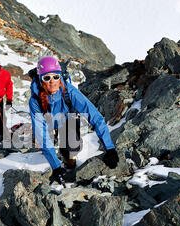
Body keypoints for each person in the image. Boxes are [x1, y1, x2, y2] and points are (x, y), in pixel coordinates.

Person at [29, 56, 119, 185]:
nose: (52, 81)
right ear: (40, 79)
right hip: (47, 121)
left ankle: (69, 161)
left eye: (56, 76)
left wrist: (109, 148)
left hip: (67, 118)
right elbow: (40, 131)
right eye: (46, 78)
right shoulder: (35, 100)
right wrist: (55, 167)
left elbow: (94, 116)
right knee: (43, 139)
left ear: (60, 76)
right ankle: (53, 149)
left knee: (71, 147)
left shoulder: (69, 91)